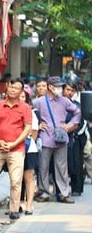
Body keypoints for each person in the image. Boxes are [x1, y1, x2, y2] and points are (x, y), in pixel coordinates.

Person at [0, 78, 32, 219]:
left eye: (16, 88)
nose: (13, 90)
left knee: (16, 180)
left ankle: (14, 209)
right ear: (7, 87)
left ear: (21, 91)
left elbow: (27, 128)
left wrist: (13, 143)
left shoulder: (25, 108)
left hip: (17, 149)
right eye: (11, 87)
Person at [33, 76, 81, 204]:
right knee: (43, 167)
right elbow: (29, 114)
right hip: (45, 138)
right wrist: (37, 126)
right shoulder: (39, 101)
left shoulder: (64, 101)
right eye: (58, 86)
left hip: (61, 138)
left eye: (61, 86)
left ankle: (64, 193)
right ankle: (43, 192)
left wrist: (70, 125)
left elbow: (77, 112)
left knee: (62, 167)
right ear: (50, 86)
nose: (60, 89)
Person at [63, 79, 87, 196]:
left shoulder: (77, 106)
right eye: (68, 89)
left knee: (76, 163)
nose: (70, 92)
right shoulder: (57, 104)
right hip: (60, 138)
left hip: (75, 137)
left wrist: (74, 132)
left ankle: (76, 187)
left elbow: (82, 122)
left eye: (72, 90)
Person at [20, 90, 39, 215]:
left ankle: (29, 204)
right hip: (12, 149)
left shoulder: (30, 113)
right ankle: (18, 203)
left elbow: (34, 133)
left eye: (23, 96)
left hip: (28, 149)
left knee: (29, 177)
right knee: (16, 178)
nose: (20, 98)